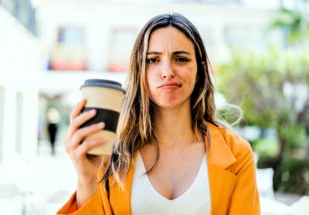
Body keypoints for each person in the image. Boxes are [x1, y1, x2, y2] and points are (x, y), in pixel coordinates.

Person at [58, 13, 260, 215]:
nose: (167, 71)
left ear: (200, 70)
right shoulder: (111, 153)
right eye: (153, 59)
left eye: (180, 59)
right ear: (139, 70)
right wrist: (86, 179)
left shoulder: (237, 155)